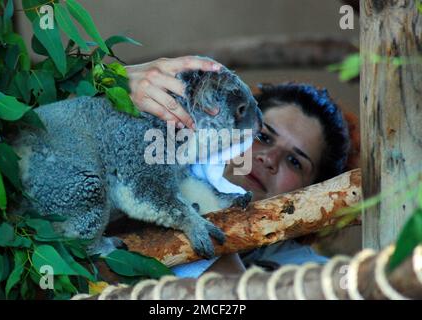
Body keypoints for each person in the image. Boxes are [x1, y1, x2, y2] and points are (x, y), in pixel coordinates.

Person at [126, 56, 351, 276]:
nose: (270, 159)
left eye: (295, 161)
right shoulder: (162, 164)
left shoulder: (310, 273)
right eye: (263, 137)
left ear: (313, 193)